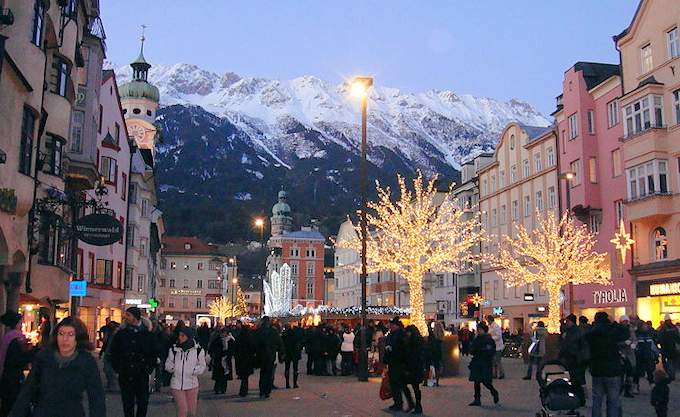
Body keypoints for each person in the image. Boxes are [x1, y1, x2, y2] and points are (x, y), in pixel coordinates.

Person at [9, 317, 105, 417]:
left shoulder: (86, 362)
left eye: (70, 334)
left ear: (78, 338)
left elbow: (96, 398)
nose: (65, 339)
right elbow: (27, 391)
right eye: (61, 334)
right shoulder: (44, 358)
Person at [110, 307, 157, 417]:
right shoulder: (121, 334)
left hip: (141, 374)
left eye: (128, 315)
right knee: (127, 404)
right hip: (125, 374)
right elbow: (114, 352)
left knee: (142, 402)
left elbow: (153, 353)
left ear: (135, 317)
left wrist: (148, 368)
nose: (125, 317)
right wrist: (118, 368)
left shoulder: (147, 334)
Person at [587, 311, 629, 417]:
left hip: (597, 369)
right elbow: (625, 334)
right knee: (613, 399)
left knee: (597, 399)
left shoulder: (592, 332)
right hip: (612, 369)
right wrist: (614, 322)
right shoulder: (612, 330)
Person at [165, 326, 206, 417]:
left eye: (183, 336)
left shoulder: (198, 350)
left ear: (189, 336)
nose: (180, 337)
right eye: (179, 335)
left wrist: (193, 371)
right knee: (182, 410)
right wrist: (173, 369)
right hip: (177, 384)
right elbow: (168, 363)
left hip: (192, 384)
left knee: (191, 412)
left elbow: (202, 366)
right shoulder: (174, 349)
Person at [0, 311, 34, 417]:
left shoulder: (7, 336)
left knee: (7, 406)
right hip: (13, 378)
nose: (21, 325)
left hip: (6, 376)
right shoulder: (16, 338)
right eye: (20, 323)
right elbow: (19, 359)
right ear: (16, 324)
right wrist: (32, 352)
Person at [468, 322, 499, 406]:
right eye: (478, 329)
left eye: (480, 329)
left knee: (486, 381)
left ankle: (494, 392)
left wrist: (482, 351)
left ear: (484, 330)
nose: (478, 331)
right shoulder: (477, 339)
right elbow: (472, 349)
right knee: (476, 381)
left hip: (485, 362)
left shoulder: (489, 339)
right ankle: (477, 399)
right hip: (477, 362)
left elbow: (491, 351)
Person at [253, 316, 284, 398]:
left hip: (262, 355)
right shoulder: (273, 331)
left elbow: (255, 344)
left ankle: (262, 391)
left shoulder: (259, 331)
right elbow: (280, 343)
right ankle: (267, 391)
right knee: (269, 373)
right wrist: (281, 354)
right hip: (271, 355)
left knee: (263, 373)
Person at [559, 314, 586, 403]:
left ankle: (579, 398)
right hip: (575, 358)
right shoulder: (574, 330)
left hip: (574, 358)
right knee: (577, 379)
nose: (566, 323)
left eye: (567, 321)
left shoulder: (573, 332)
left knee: (575, 380)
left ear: (571, 322)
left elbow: (569, 345)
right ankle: (580, 397)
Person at [384, 317, 408, 411]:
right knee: (394, 383)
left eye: (391, 325)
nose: (390, 326)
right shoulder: (392, 334)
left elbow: (401, 348)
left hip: (397, 362)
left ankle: (399, 403)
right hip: (393, 362)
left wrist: (391, 348)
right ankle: (397, 402)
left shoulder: (399, 334)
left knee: (396, 383)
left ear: (395, 325)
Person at [403, 325, 425, 414]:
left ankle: (416, 405)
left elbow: (411, 355)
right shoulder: (420, 341)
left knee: (412, 386)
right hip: (417, 367)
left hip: (413, 368)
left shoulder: (412, 342)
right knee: (415, 387)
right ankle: (417, 405)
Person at [233, 320, 255, 397]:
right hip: (248, 359)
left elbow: (235, 348)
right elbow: (252, 348)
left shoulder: (239, 337)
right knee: (245, 376)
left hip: (240, 358)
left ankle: (243, 391)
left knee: (243, 376)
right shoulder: (250, 337)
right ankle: (244, 391)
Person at [208, 325, 233, 394]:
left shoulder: (230, 340)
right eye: (223, 333)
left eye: (225, 333)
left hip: (226, 359)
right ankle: (217, 388)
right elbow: (212, 348)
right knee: (219, 375)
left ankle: (223, 389)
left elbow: (232, 349)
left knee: (224, 375)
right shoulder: (217, 340)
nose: (224, 334)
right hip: (219, 359)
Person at [634, 320, 657, 392]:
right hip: (639, 356)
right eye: (644, 326)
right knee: (637, 372)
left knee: (650, 370)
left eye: (646, 326)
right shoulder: (636, 334)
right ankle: (636, 385)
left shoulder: (649, 334)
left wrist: (656, 352)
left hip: (648, 355)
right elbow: (635, 344)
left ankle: (652, 384)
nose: (646, 327)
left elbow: (652, 344)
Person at [658, 314, 680, 381]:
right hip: (674, 347)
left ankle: (671, 374)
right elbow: (678, 337)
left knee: (669, 361)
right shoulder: (674, 327)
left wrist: (661, 346)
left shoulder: (663, 328)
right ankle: (672, 373)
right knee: (674, 361)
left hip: (667, 348)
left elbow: (660, 338)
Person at [282, 323, 303, 388]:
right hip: (295, 353)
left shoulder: (284, 334)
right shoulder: (295, 334)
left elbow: (282, 344)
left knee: (287, 368)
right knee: (295, 368)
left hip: (287, 352)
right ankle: (295, 383)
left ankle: (287, 383)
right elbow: (298, 342)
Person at [424, 322, 443, 387]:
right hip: (438, 352)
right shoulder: (441, 336)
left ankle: (425, 382)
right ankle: (437, 382)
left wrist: (429, 323)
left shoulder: (432, 335)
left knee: (427, 367)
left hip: (429, 352)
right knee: (437, 367)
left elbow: (429, 329)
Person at [486, 315, 505, 379]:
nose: (487, 321)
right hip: (493, 346)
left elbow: (499, 336)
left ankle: (501, 374)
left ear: (490, 320)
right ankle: (494, 374)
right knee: (493, 361)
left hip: (498, 346)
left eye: (487, 320)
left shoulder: (496, 326)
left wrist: (491, 338)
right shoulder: (490, 326)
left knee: (497, 361)